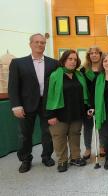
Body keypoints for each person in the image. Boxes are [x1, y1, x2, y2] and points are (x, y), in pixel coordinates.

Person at [8, 33, 59, 173]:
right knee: (25, 134)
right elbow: (13, 86)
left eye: (42, 42)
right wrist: (16, 105)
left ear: (45, 45)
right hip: (25, 105)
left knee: (47, 133)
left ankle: (47, 156)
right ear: (30, 44)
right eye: (36, 42)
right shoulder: (18, 63)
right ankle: (25, 159)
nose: (39, 45)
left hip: (47, 104)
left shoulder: (53, 63)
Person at [46, 50, 89, 172]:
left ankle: (75, 157)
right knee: (59, 138)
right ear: (64, 60)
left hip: (76, 112)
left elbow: (84, 94)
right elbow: (48, 96)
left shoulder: (79, 75)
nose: (73, 62)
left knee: (75, 135)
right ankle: (62, 160)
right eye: (70, 59)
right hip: (59, 114)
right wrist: (50, 115)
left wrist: (87, 109)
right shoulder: (55, 76)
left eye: (75, 60)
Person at [80, 46, 103, 159]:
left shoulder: (104, 68)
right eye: (91, 53)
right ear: (88, 56)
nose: (94, 55)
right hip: (88, 102)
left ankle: (102, 147)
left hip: (101, 101)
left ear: (100, 54)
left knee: (102, 125)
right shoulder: (83, 70)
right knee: (88, 127)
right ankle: (88, 148)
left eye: (96, 53)